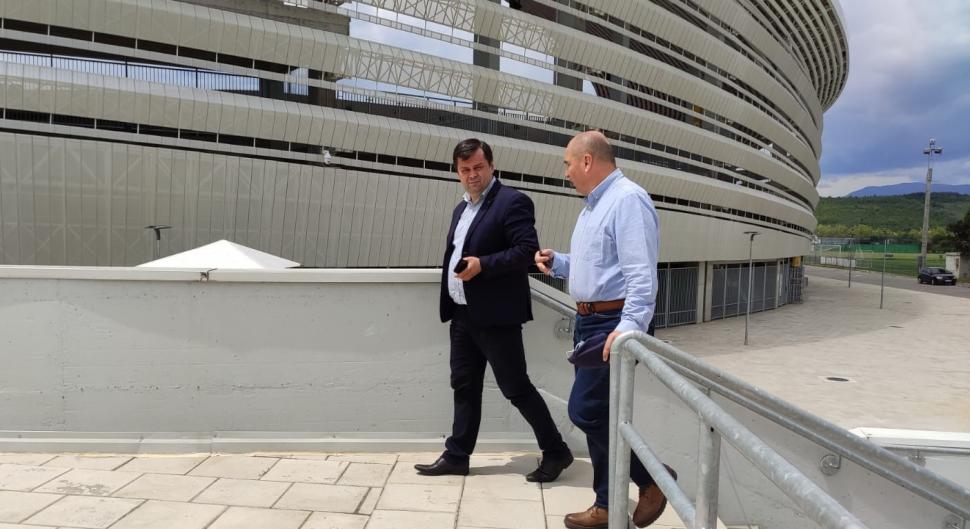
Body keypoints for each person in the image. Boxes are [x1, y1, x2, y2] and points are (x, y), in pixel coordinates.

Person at [535, 131, 675, 529]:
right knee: (602, 414)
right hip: (589, 321)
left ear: (587, 161)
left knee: (585, 410)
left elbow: (641, 276)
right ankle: (606, 505)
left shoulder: (628, 200)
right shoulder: (594, 206)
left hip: (612, 323)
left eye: (568, 164)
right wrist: (560, 262)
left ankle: (652, 478)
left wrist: (629, 329)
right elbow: (598, 266)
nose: (565, 173)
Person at [415, 138, 574, 482]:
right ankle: (457, 456)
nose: (472, 175)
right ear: (457, 171)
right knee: (463, 385)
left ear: (491, 166)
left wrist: (482, 265)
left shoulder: (512, 202)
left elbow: (526, 250)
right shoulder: (461, 209)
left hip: (496, 317)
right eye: (465, 169)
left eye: (478, 167)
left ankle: (557, 451)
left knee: (516, 387)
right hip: (462, 314)